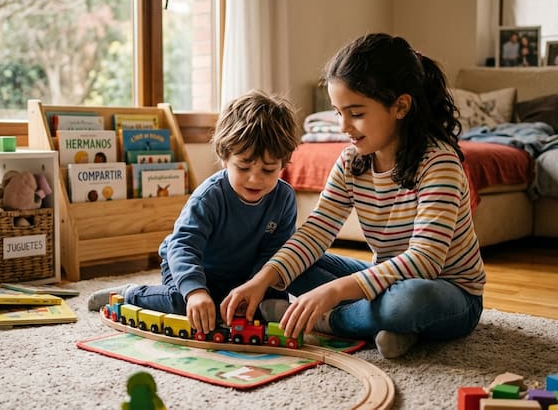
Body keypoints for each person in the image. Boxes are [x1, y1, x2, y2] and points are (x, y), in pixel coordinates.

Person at [220, 33, 485, 359]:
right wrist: (261, 281)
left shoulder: (438, 163)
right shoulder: (351, 162)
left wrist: (330, 294)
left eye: (356, 113)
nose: (343, 126)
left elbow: (425, 261)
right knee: (278, 260)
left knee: (407, 302)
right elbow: (316, 232)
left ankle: (329, 322)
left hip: (449, 293)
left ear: (400, 106)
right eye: (337, 112)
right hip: (385, 280)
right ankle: (390, 328)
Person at [87, 89, 301, 335]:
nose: (255, 179)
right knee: (183, 305)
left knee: (268, 298)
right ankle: (131, 294)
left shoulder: (284, 198)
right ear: (224, 157)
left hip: (242, 276)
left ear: (283, 164)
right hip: (190, 266)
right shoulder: (209, 197)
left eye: (269, 170)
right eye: (243, 167)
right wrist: (196, 292)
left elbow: (275, 252)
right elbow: (183, 246)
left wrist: (255, 287)